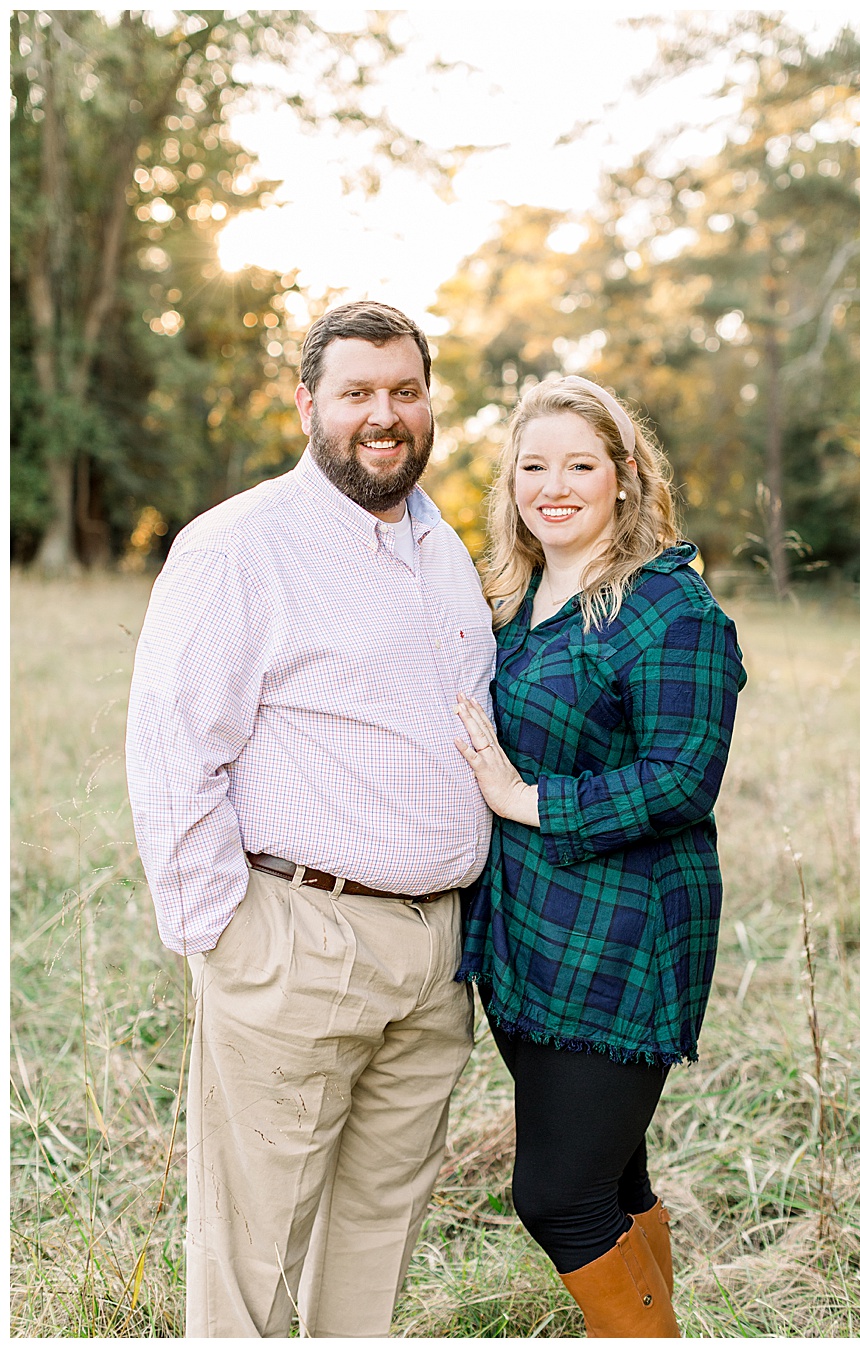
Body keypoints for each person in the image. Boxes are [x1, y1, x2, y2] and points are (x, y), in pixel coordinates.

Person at [125, 301, 495, 1336]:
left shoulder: (443, 549)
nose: (385, 415)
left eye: (405, 391)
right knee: (251, 1259)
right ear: (307, 404)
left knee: (377, 1240)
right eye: (358, 394)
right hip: (297, 941)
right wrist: (227, 939)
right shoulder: (241, 547)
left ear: (430, 402)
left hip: (434, 957)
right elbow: (172, 744)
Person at [451, 374, 746, 1336]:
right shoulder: (515, 597)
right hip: (528, 932)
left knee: (556, 1195)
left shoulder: (670, 609)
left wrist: (521, 797)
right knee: (614, 1176)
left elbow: (681, 779)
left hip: (623, 939)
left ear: (626, 475)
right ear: (511, 485)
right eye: (534, 466)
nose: (555, 485)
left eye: (581, 464)